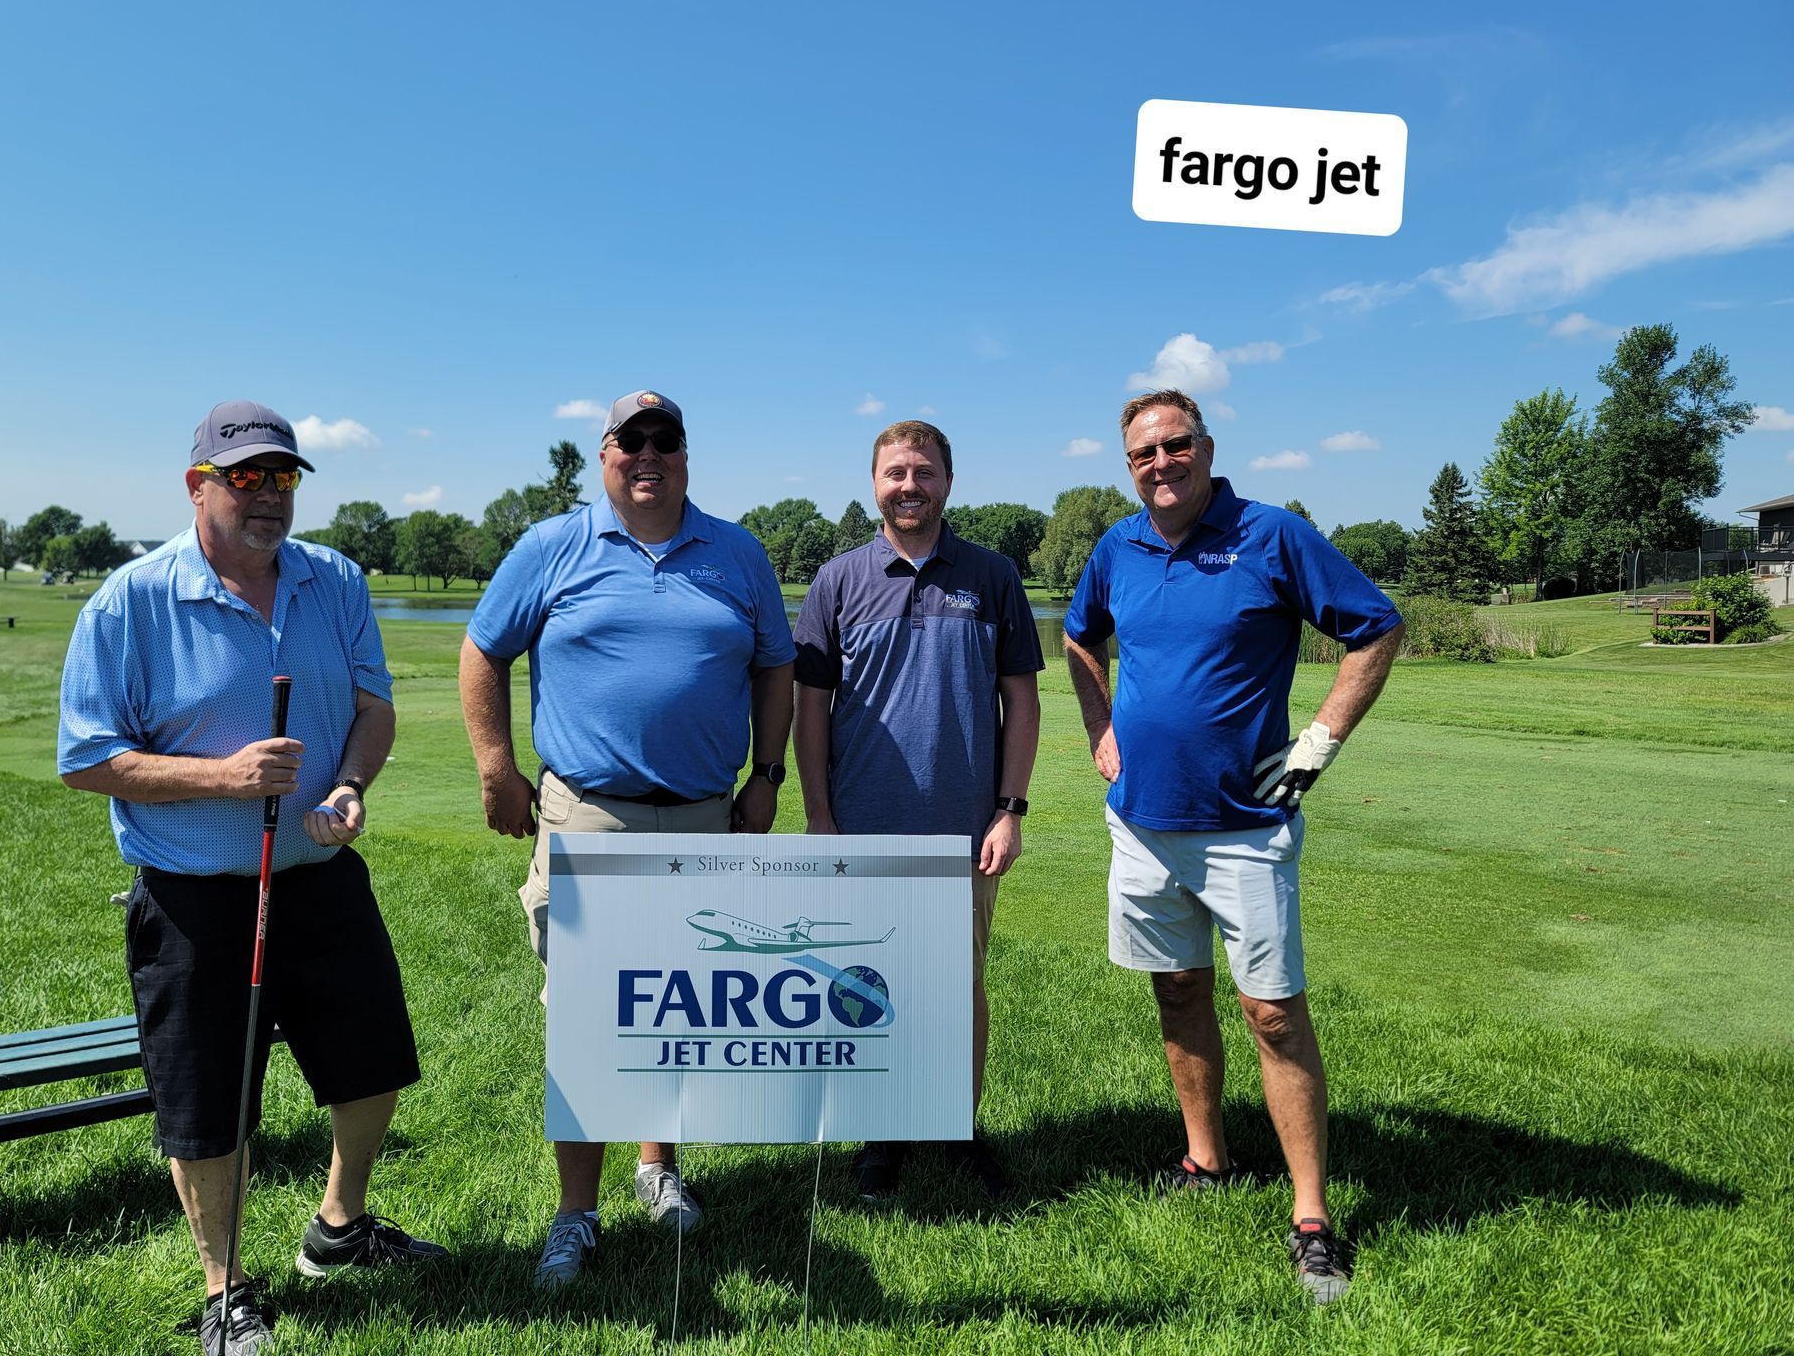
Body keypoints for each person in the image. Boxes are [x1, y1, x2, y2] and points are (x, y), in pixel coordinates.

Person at [59, 401, 443, 1356]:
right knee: (210, 1102)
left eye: (283, 478)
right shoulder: (130, 601)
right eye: (246, 477)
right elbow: (85, 755)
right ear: (199, 485)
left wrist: (351, 785)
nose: (269, 496)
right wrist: (223, 778)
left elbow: (373, 707)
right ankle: (224, 1286)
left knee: (372, 1068)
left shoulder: (336, 579)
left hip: (318, 872)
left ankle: (339, 1227)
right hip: (194, 893)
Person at [1062, 389, 1403, 1305]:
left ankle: (1312, 1219)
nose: (1160, 464)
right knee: (1177, 990)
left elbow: (1376, 628)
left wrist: (1316, 747)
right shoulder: (1117, 547)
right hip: (1140, 821)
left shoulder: (1271, 536)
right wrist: (1100, 723)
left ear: (1206, 448)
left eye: (1175, 446)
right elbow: (1079, 635)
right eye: (1142, 454)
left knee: (1273, 1015)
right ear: (1127, 465)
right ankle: (1205, 1160)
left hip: (1246, 830)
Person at [458, 389, 795, 1289]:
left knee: (682, 1004)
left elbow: (775, 667)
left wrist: (767, 777)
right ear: (604, 455)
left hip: (702, 811)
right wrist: (497, 767)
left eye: (666, 440)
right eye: (629, 440)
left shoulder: (738, 552)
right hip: (587, 813)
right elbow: (483, 650)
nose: (648, 454)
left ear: (687, 455)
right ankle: (576, 1213)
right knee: (586, 1016)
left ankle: (658, 1167)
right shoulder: (553, 545)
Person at [792, 419, 1042, 1201]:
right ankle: (883, 1132)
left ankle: (956, 1128)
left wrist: (1010, 809)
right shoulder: (837, 581)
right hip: (862, 826)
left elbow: (1022, 701)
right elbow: (809, 707)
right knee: (870, 982)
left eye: (924, 471)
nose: (910, 485)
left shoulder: (992, 575)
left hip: (966, 831)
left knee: (958, 985)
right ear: (874, 483)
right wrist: (819, 814)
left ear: (947, 481)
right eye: (896, 472)